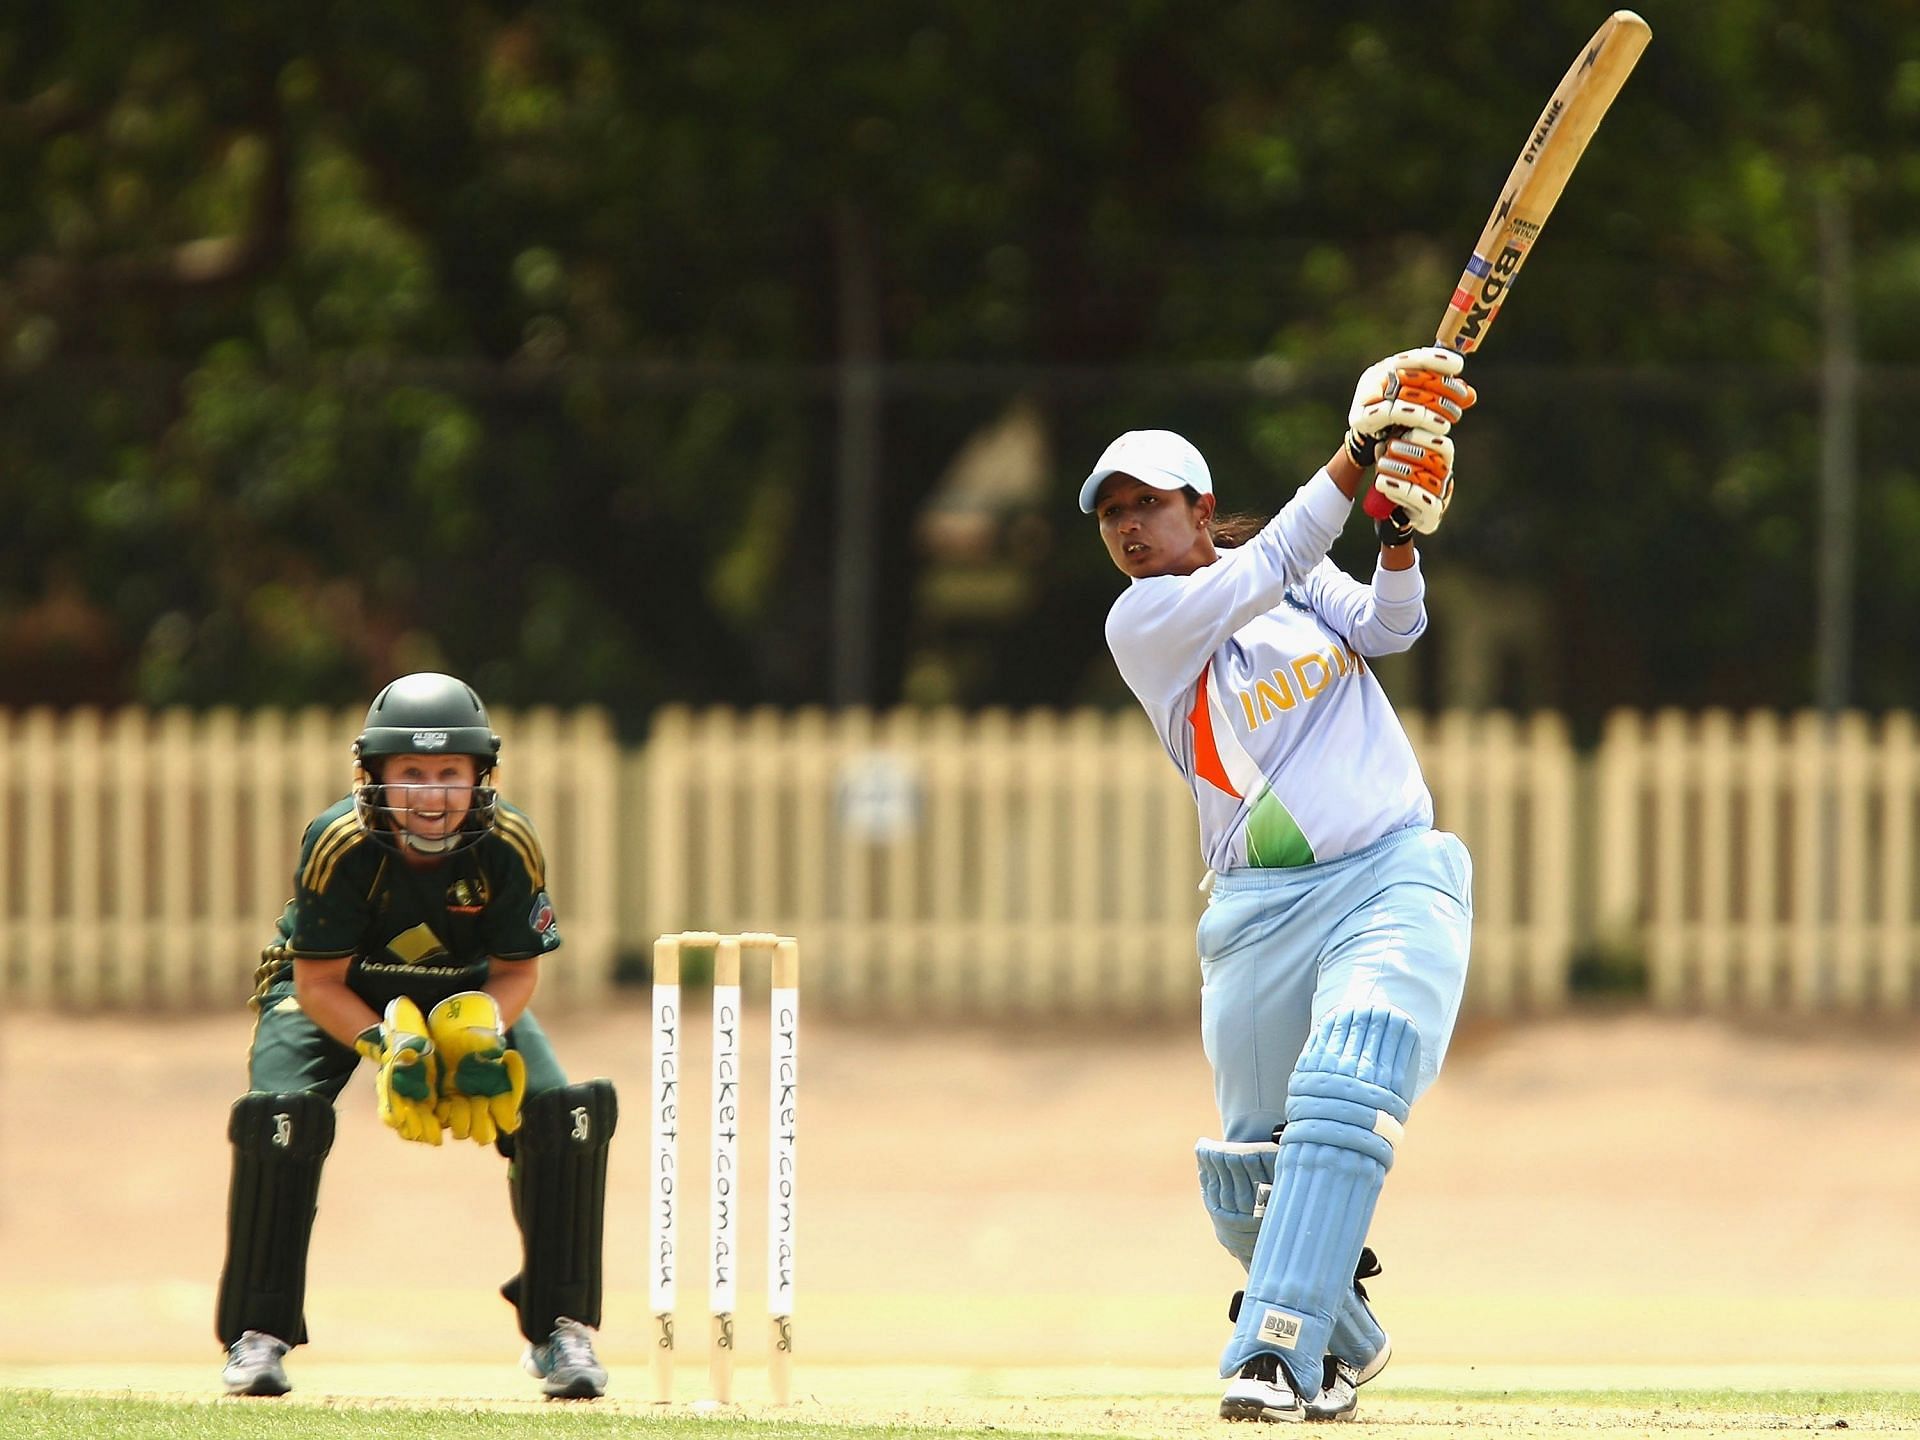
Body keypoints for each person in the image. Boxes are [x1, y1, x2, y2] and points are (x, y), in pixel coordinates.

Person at [1080, 348, 1478, 1424]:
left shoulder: (1290, 570)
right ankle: (1345, 1336)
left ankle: (1274, 1353)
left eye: (1148, 507)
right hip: (1257, 911)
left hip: (1389, 871)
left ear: (1199, 507)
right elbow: (1274, 556)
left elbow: (1395, 628)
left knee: (1348, 1089)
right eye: (1112, 514)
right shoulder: (1146, 623)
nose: (1128, 528)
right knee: (1251, 1175)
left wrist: (1395, 535)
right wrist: (1356, 456)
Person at [214, 672, 618, 1400]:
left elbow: (517, 973)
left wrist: (482, 1033)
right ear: (374, 777)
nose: (430, 796)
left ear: (478, 778)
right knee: (281, 1118)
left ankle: (562, 1331)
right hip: (334, 995)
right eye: (410, 775)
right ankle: (257, 1335)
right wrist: (389, 1045)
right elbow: (317, 984)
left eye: (448, 774)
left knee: (564, 1118)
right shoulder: (339, 843)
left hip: (465, 995)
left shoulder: (509, 845)